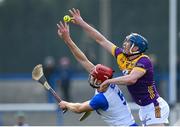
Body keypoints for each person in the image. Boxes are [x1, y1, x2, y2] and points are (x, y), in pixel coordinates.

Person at [67, 8, 170, 126]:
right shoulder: (121, 56)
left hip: (154, 106)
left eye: (129, 42)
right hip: (144, 109)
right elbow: (100, 39)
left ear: (136, 48)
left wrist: (109, 81)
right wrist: (81, 22)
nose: (125, 44)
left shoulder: (144, 61)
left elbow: (131, 79)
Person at [57, 21, 137, 126]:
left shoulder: (101, 99)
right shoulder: (106, 82)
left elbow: (79, 109)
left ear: (99, 80)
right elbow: (83, 60)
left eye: (93, 76)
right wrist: (68, 40)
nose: (90, 76)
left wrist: (66, 104)